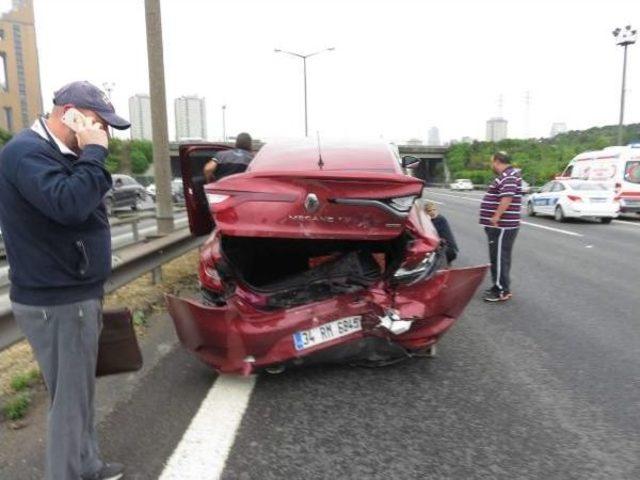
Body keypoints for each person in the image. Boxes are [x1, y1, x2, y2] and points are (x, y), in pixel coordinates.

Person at [0, 81, 130, 480]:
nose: (103, 133)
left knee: (79, 396)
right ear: (69, 113)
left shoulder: (55, 153)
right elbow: (69, 204)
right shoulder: (26, 153)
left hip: (70, 290)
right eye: (98, 123)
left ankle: (86, 464)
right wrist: (93, 152)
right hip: (56, 299)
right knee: (69, 404)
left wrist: (87, 152)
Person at [479, 151, 522, 302]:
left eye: (492, 162)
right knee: (501, 258)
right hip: (503, 226)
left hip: (502, 226)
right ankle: (501, 285)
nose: (492, 165)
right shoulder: (509, 175)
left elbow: (507, 198)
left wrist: (496, 216)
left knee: (498, 258)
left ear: (497, 161)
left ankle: (501, 291)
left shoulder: (509, 176)